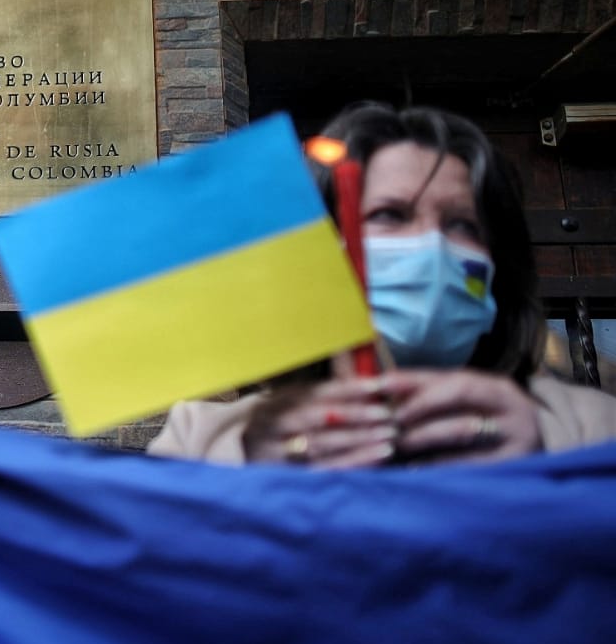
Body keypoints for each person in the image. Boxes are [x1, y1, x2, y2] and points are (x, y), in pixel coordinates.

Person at [149, 103, 616, 468]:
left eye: (463, 225)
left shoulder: (594, 431)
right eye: (390, 215)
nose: (432, 245)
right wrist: (257, 486)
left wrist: (538, 476)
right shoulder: (205, 442)